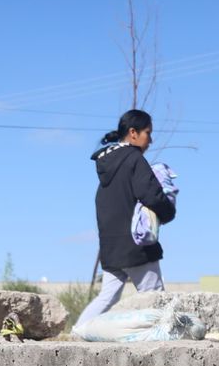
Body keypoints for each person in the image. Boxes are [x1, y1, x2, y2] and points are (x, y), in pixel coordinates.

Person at [74, 109, 176, 329]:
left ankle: (78, 331)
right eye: (148, 132)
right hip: (136, 245)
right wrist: (169, 210)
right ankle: (166, 339)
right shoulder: (134, 159)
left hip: (111, 247)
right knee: (155, 296)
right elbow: (151, 194)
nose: (151, 139)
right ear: (133, 133)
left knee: (107, 296)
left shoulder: (107, 168)